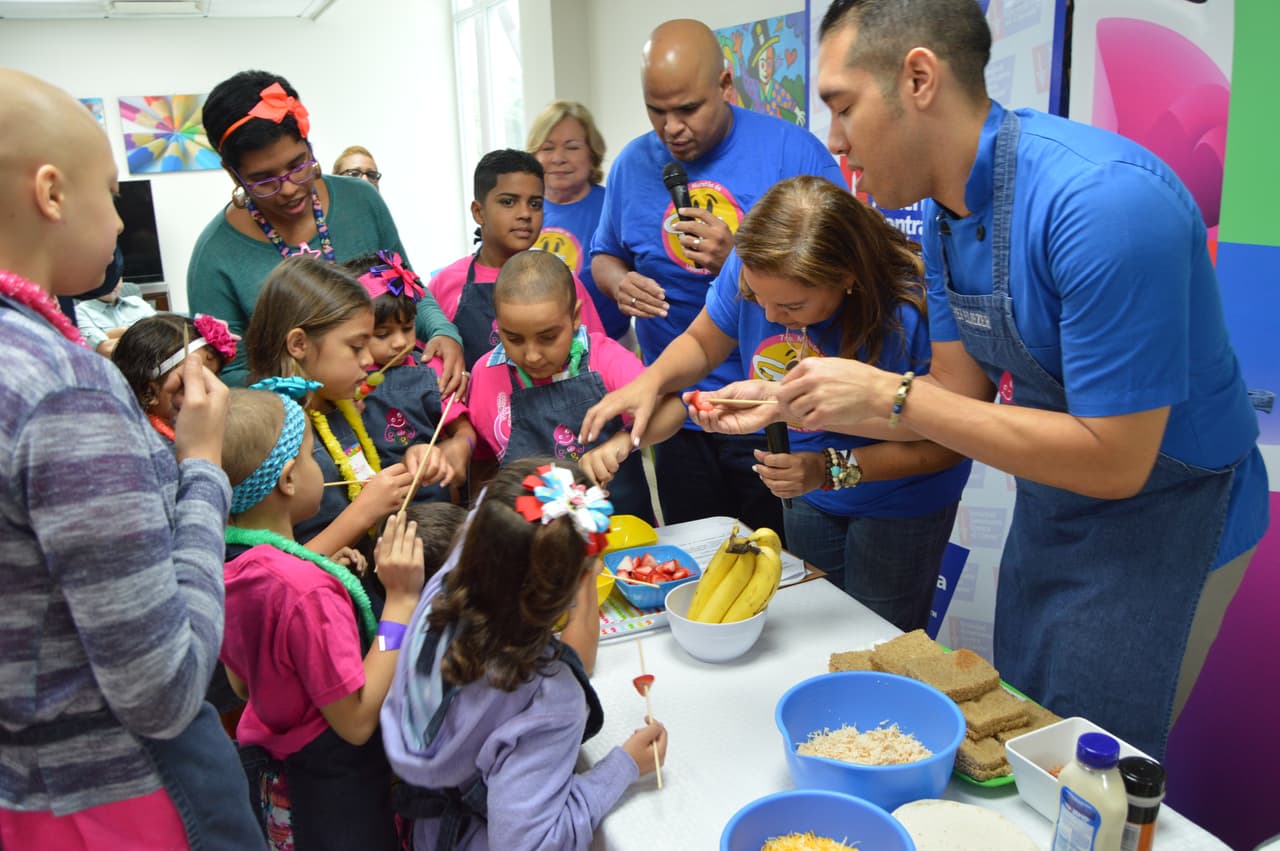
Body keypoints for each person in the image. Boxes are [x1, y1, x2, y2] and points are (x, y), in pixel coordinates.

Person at [746, 0, 1267, 759]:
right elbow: (954, 401)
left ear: (918, 78)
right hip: (1057, 508)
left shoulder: (1103, 205)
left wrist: (892, 393)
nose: (835, 140)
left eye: (842, 105)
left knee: (1091, 773)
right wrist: (791, 399)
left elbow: (1116, 459)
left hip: (1166, 519)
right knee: (1019, 741)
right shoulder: (951, 215)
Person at [0, 68, 260, 848]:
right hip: (119, 799)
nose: (119, 222)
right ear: (51, 193)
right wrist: (202, 467)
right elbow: (166, 687)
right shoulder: (61, 388)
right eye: (111, 193)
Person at [584, 176, 970, 630]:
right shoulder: (756, 268)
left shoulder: (909, 313)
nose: (767, 317)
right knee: (813, 630)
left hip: (900, 501)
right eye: (752, 296)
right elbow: (705, 343)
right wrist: (651, 381)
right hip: (806, 488)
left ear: (846, 277)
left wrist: (828, 467)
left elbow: (944, 440)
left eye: (791, 306)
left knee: (879, 641)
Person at [590, 18, 846, 532]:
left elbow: (841, 266)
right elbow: (604, 254)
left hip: (773, 403)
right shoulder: (630, 165)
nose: (671, 128)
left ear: (725, 86)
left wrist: (742, 259)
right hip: (677, 408)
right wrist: (619, 282)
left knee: (782, 565)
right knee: (700, 556)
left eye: (687, 109)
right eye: (656, 111)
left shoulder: (792, 153)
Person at [381, 459, 668, 850]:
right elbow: (529, 844)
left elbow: (497, 514)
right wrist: (623, 767)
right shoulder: (547, 698)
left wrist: (570, 548)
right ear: (579, 581)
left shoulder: (440, 591)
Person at [219, 384, 425, 850]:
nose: (320, 469)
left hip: (278, 779)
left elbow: (242, 686)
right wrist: (400, 604)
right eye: (314, 458)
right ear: (288, 479)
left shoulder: (229, 564)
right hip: (336, 796)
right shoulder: (304, 590)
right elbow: (355, 721)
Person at [189, 70, 464, 391]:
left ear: (309, 144)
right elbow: (226, 375)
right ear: (233, 174)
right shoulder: (215, 256)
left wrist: (443, 331)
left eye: (297, 165)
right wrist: (308, 388)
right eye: (264, 180)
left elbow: (408, 286)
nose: (289, 189)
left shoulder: (362, 201)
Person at [243, 255, 457, 556]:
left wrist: (412, 457)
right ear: (299, 345)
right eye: (357, 347)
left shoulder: (341, 406)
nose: (368, 360)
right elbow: (272, 568)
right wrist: (364, 512)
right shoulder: (270, 435)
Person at [467, 251, 686, 522]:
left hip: (620, 536)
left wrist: (623, 441)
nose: (532, 355)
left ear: (575, 317)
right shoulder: (486, 376)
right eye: (513, 338)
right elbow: (483, 460)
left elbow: (674, 407)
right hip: (531, 542)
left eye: (548, 337)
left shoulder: (604, 360)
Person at [428, 148, 605, 371]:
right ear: (478, 212)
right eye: (509, 202)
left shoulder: (563, 282)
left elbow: (598, 358)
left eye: (535, 204)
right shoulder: (445, 284)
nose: (525, 214)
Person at [343, 250, 478, 506]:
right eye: (382, 334)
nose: (399, 342)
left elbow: (463, 430)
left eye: (407, 328)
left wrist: (462, 445)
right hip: (369, 507)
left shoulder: (431, 368)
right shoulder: (346, 380)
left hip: (435, 502)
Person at [527, 101, 628, 342]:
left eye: (572, 148)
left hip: (610, 346)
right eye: (547, 148)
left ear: (592, 154)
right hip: (534, 350)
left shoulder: (613, 206)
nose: (558, 158)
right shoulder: (522, 210)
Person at [113, 312, 240, 442]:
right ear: (148, 393)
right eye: (194, 383)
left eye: (215, 377)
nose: (214, 391)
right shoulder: (154, 448)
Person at [75, 277, 156, 356]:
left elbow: (165, 334)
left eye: (115, 278)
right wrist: (141, 333)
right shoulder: (80, 311)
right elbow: (106, 350)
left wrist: (117, 334)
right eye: (105, 279)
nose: (110, 284)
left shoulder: (137, 302)